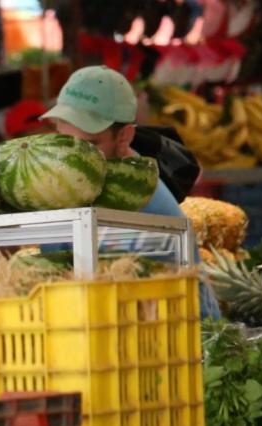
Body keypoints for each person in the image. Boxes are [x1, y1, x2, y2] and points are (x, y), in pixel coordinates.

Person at [41, 65, 220, 318]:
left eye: (90, 145)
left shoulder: (147, 204)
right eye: (65, 142)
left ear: (124, 137)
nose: (74, 157)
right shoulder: (78, 187)